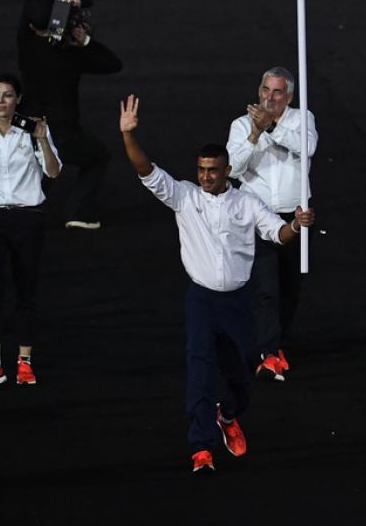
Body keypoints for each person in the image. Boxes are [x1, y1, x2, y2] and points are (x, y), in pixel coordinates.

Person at [119, 94, 315, 473]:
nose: (206, 176)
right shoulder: (184, 197)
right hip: (201, 301)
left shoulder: (248, 203)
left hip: (238, 303)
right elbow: (146, 170)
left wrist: (295, 226)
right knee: (200, 369)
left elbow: (277, 233)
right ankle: (201, 446)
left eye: (213, 170)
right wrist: (128, 136)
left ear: (227, 171)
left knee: (242, 373)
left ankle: (228, 417)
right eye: (201, 169)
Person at [0, 73, 61, 388]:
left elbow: (53, 171)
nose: (1, 101)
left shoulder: (31, 133)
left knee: (25, 289)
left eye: (7, 95)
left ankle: (24, 360)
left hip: (28, 217)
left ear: (18, 99)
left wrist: (43, 138)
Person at [226, 67, 318, 382]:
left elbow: (307, 148)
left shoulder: (302, 119)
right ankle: (268, 352)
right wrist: (255, 132)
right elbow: (233, 169)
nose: (269, 97)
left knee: (289, 289)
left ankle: (275, 345)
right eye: (266, 90)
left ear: (288, 96)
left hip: (294, 218)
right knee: (264, 288)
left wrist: (273, 126)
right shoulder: (240, 125)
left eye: (277, 92)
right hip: (256, 217)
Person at [17, 0, 123, 230]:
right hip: (62, 131)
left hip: (28, 126)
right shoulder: (70, 54)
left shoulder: (25, 42)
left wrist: (60, 2)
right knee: (96, 157)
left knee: (39, 171)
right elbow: (113, 64)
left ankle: (17, 210)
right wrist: (84, 40)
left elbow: (32, 0)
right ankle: (80, 211)